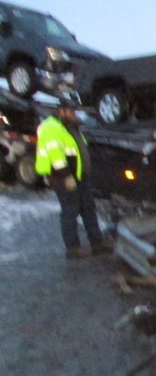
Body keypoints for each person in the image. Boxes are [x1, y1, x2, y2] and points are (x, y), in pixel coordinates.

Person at [35, 100, 110, 259]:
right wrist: (67, 177)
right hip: (63, 178)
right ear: (61, 111)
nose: (74, 114)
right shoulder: (51, 128)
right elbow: (56, 156)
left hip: (80, 177)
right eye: (71, 112)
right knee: (70, 211)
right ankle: (73, 248)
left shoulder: (69, 127)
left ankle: (97, 243)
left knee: (88, 209)